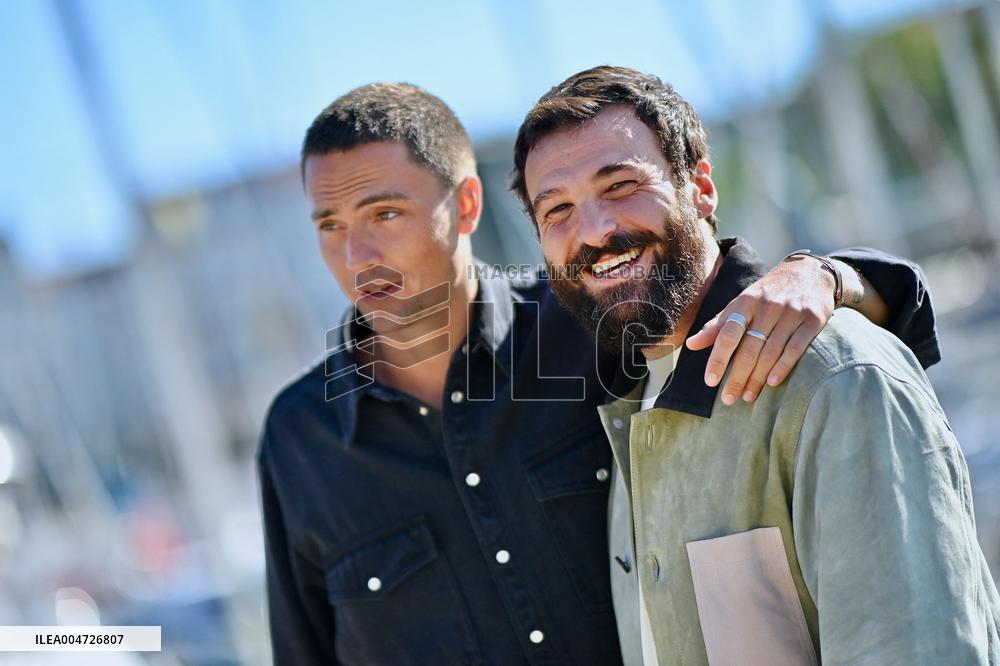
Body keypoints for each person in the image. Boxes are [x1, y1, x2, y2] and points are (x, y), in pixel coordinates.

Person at [259, 81, 941, 665]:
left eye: (384, 212)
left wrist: (830, 274)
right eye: (328, 224)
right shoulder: (298, 437)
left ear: (466, 206)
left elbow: (744, 311)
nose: (356, 254)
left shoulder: (588, 320)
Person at [512, 65, 1000, 665]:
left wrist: (830, 273)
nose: (594, 230)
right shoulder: (628, 412)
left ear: (701, 188)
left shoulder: (835, 377)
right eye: (556, 210)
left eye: (620, 186)